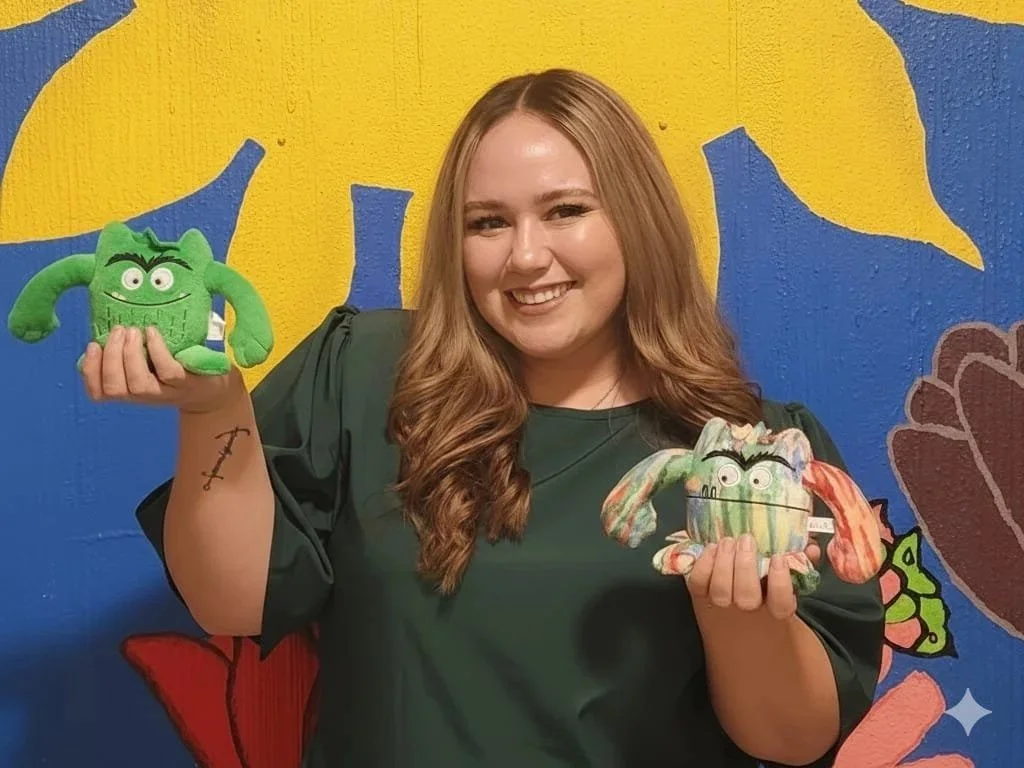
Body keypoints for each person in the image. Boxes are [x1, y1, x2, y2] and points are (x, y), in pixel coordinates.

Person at [80, 68, 885, 767]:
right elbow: (232, 602)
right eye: (488, 222)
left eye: (566, 210)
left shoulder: (749, 456)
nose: (525, 256)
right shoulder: (363, 372)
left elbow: (793, 741)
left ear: (637, 220)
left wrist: (737, 617)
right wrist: (212, 409)